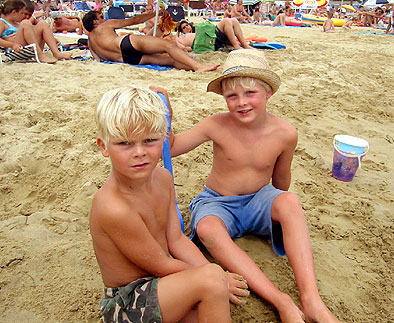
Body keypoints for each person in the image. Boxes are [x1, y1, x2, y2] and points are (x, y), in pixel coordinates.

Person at [169, 49, 341, 323]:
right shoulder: (216, 125)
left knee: (290, 202)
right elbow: (173, 146)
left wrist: (286, 214)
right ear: (224, 98)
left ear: (268, 92)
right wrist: (165, 114)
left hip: (259, 198)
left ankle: (312, 301)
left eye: (251, 93)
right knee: (207, 230)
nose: (241, 103)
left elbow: (281, 181)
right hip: (217, 202)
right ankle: (280, 299)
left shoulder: (285, 133)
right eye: (232, 96)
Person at [90, 85, 249, 323]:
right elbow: (161, 263)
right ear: (103, 146)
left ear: (164, 139)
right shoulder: (114, 207)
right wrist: (214, 277)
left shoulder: (163, 179)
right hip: (128, 301)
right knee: (211, 282)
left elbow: (176, 239)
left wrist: (209, 273)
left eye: (150, 140)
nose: (139, 152)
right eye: (125, 144)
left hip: (161, 284)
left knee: (210, 295)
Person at [82, 10, 219, 72]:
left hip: (127, 59)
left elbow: (99, 61)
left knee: (170, 61)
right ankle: (197, 66)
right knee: (167, 45)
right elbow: (134, 20)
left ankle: (197, 67)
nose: (103, 18)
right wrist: (155, 13)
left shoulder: (91, 43)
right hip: (125, 43)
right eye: (100, 16)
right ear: (95, 22)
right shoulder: (104, 25)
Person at [0, 0, 71, 63]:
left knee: (42, 23)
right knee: (26, 23)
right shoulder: (2, 23)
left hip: (28, 48)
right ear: (14, 12)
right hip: (15, 50)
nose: (24, 16)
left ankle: (56, 53)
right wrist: (11, 44)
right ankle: (40, 55)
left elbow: (32, 31)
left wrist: (52, 39)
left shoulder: (17, 23)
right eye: (22, 13)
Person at [175, 18, 254, 52]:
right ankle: (236, 46)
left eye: (187, 25)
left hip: (212, 37)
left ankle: (245, 45)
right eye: (184, 28)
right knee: (226, 21)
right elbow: (184, 48)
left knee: (234, 20)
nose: (187, 27)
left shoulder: (196, 30)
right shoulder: (180, 38)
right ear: (182, 31)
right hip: (209, 42)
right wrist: (177, 34)